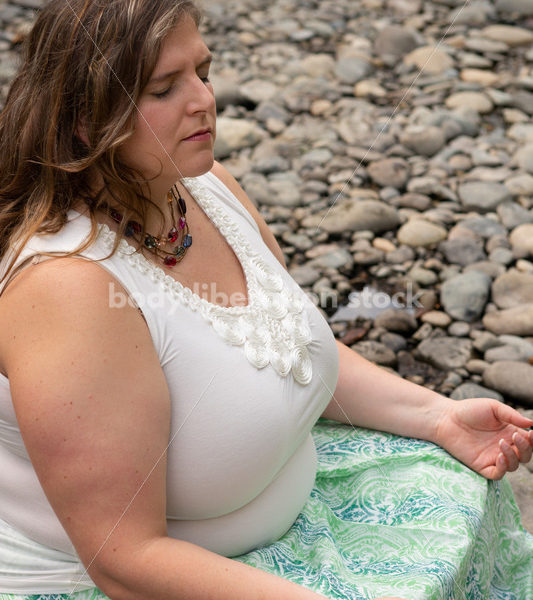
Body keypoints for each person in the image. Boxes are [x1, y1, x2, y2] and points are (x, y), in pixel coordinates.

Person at [0, 1, 531, 599]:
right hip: (121, 585)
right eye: (164, 88)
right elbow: (122, 560)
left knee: (470, 489)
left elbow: (284, 344)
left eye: (203, 71)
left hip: (276, 517)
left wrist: (435, 416)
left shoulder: (200, 185)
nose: (203, 100)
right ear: (84, 120)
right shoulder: (69, 288)